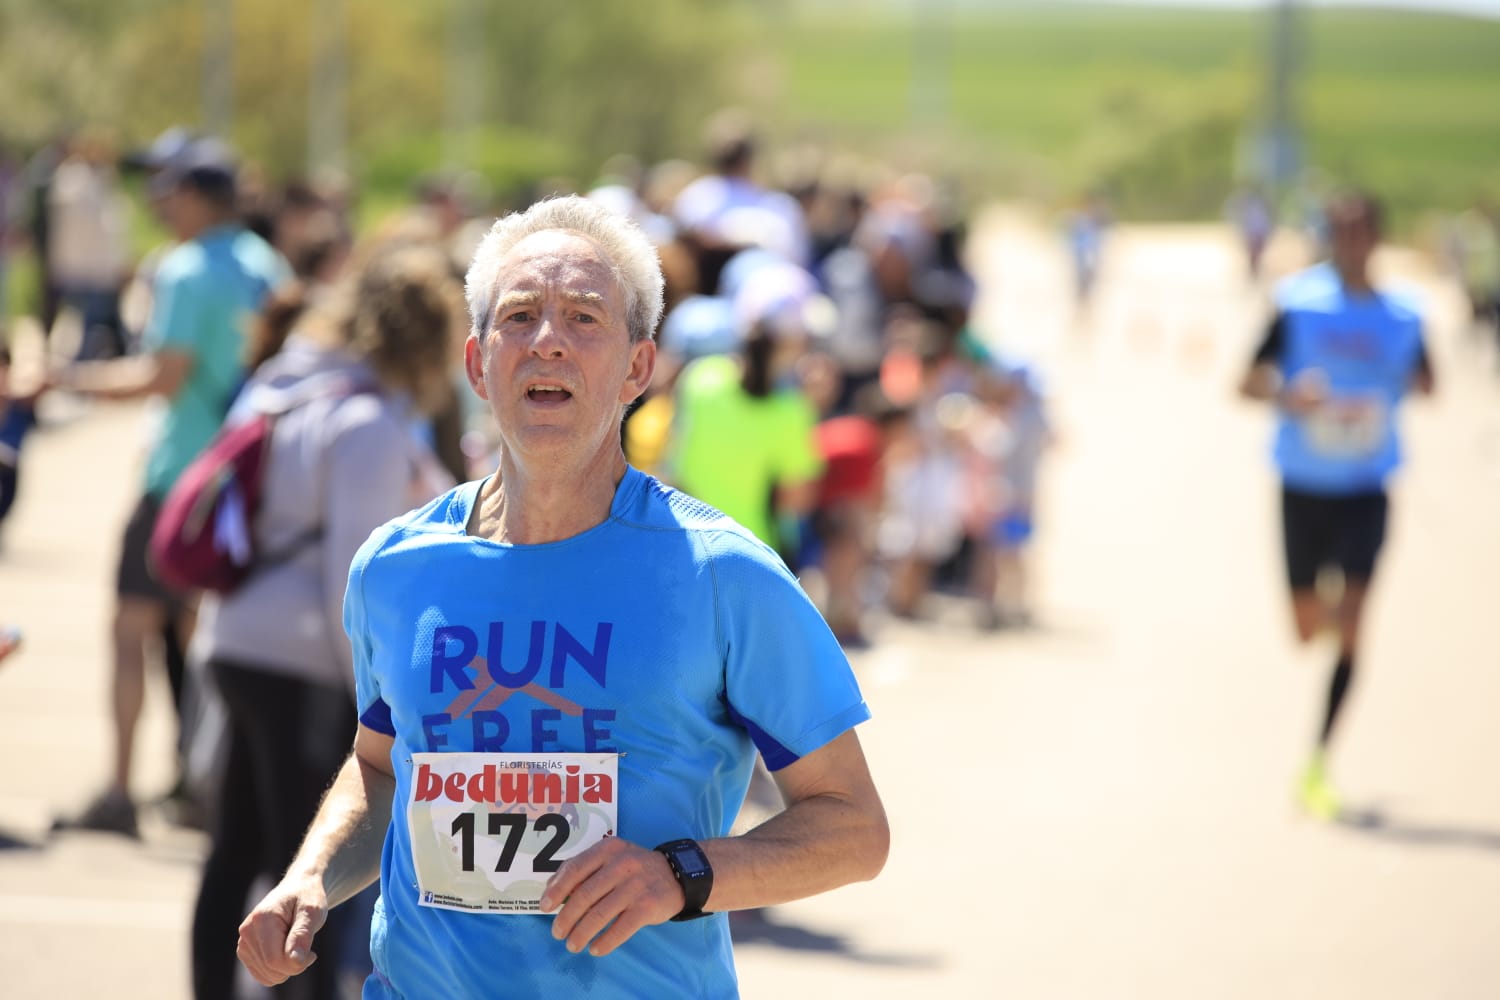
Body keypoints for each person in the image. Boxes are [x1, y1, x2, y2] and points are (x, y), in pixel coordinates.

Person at [236, 195, 888, 998]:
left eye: (583, 317)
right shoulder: (396, 566)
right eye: (520, 316)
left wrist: (679, 874)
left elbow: (854, 826)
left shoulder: (723, 574)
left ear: (638, 369)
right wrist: (310, 876)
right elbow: (381, 767)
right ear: (477, 365)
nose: (547, 340)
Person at [189, 239, 460, 1000]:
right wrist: (374, 698)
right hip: (307, 657)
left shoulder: (286, 385)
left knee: (236, 847)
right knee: (311, 876)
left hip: (236, 637)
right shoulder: (368, 422)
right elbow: (359, 577)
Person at [51, 138, 289, 837]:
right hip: (241, 480)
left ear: (192, 196)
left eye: (166, 188)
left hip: (180, 478)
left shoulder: (185, 269)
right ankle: (202, 786)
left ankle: (120, 792)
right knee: (204, 639)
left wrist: (65, 380)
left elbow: (162, 376)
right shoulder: (265, 263)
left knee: (130, 628)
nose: (157, 201)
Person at [1238, 191, 1435, 821]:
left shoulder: (1404, 314)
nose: (1352, 240)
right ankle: (1331, 624)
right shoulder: (1298, 302)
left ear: (1377, 236)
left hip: (1366, 487)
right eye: (1341, 230)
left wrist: (1403, 386)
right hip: (1302, 484)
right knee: (1306, 631)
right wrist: (1290, 396)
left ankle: (1319, 760)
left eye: (1361, 230)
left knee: (1352, 622)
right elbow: (1246, 382)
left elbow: (1429, 381)